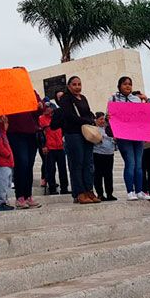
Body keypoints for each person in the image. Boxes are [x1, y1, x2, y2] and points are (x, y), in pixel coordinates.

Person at [108, 77, 150, 201]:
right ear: (119, 86)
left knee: (139, 164)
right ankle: (130, 191)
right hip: (123, 136)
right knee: (130, 162)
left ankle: (139, 191)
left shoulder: (136, 99)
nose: (128, 86)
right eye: (125, 84)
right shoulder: (113, 98)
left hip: (137, 135)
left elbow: (143, 116)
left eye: (130, 84)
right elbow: (111, 116)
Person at [59, 76, 100, 205]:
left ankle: (89, 190)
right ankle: (79, 192)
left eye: (79, 84)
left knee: (88, 164)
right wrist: (86, 120)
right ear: (69, 86)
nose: (77, 87)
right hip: (73, 134)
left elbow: (88, 112)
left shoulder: (83, 98)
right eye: (74, 84)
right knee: (77, 164)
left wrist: (92, 119)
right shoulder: (65, 99)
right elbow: (69, 116)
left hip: (86, 134)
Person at [6, 88, 43, 209]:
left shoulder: (31, 91)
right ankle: (20, 196)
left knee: (29, 165)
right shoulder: (8, 91)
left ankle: (28, 196)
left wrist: (39, 106)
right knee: (22, 163)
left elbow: (39, 111)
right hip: (15, 132)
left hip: (31, 132)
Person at [39, 103, 69, 195]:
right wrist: (43, 145)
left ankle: (64, 188)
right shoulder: (41, 118)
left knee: (63, 169)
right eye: (46, 107)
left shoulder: (58, 117)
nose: (48, 109)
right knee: (50, 169)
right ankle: (52, 188)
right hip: (49, 148)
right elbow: (40, 134)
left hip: (60, 146)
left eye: (50, 107)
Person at [0, 114, 15, 211]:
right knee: (2, 182)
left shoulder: (3, 133)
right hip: (2, 162)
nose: (7, 124)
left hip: (8, 162)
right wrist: (8, 154)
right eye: (5, 122)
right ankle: (0, 202)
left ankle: (4, 201)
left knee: (7, 183)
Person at [92, 112, 117, 201]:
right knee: (98, 174)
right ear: (96, 120)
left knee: (108, 175)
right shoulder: (94, 129)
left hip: (109, 154)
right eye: (100, 119)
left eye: (103, 119)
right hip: (98, 153)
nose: (103, 121)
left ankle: (109, 194)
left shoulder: (109, 128)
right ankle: (100, 194)